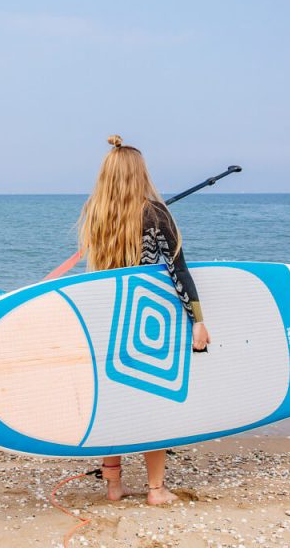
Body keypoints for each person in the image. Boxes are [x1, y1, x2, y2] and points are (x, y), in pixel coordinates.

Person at [77, 135, 211, 506]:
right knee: (156, 399)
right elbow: (177, 270)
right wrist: (197, 319)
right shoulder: (155, 213)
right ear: (140, 174)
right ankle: (155, 489)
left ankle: (114, 487)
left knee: (113, 401)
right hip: (146, 322)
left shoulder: (96, 214)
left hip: (105, 321)